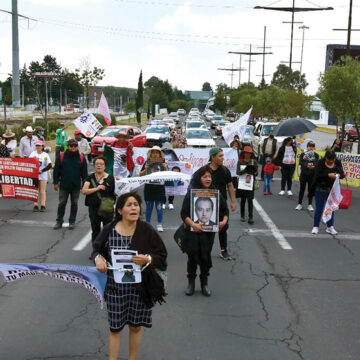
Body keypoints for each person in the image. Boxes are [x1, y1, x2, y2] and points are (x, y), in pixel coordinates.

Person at [92, 192, 167, 360]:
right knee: (115, 329)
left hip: (139, 289)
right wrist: (99, 259)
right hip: (115, 288)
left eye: (136, 204)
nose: (134, 208)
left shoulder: (146, 230)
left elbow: (162, 255)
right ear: (120, 210)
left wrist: (148, 258)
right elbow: (96, 250)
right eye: (129, 205)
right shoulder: (109, 229)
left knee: (135, 327)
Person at [181, 165, 229, 296]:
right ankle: (191, 283)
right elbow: (184, 213)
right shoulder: (192, 192)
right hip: (193, 232)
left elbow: (225, 211)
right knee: (192, 257)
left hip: (209, 233)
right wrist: (193, 224)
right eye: (204, 176)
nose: (207, 179)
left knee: (205, 257)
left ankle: (204, 283)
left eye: (209, 176)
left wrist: (223, 222)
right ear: (199, 178)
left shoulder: (215, 192)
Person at [190, 147, 236, 260]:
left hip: (221, 205)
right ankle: (202, 251)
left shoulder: (225, 170)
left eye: (223, 156)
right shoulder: (203, 171)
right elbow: (192, 185)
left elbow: (230, 186)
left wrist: (233, 202)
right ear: (213, 157)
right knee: (205, 229)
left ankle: (223, 250)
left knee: (223, 227)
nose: (223, 158)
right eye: (220, 156)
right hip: (206, 206)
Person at [53, 138, 88, 230]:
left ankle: (72, 222)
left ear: (77, 147)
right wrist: (55, 182)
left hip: (76, 185)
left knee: (74, 203)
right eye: (71, 146)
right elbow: (56, 170)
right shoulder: (61, 156)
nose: (73, 148)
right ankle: (59, 221)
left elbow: (84, 173)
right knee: (61, 203)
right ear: (67, 147)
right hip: (64, 185)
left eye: (75, 146)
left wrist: (84, 184)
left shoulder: (81, 157)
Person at [82, 156, 115, 248]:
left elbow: (115, 193)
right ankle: (96, 250)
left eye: (101, 164)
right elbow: (84, 191)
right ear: (94, 166)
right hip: (93, 208)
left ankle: (106, 249)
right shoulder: (90, 178)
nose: (99, 166)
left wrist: (120, 185)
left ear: (105, 166)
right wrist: (97, 188)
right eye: (97, 164)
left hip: (107, 208)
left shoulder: (111, 179)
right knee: (95, 230)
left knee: (107, 230)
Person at [311, 150, 345, 235]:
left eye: (332, 159)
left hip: (332, 190)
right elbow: (317, 175)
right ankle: (316, 226)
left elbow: (342, 174)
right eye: (329, 159)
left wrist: (338, 175)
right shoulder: (320, 163)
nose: (330, 161)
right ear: (325, 157)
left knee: (331, 208)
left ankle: (330, 227)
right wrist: (328, 175)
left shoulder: (337, 163)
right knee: (319, 208)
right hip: (320, 189)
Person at [140, 146, 168, 232]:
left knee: (159, 207)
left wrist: (166, 168)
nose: (155, 154)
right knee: (149, 207)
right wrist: (145, 168)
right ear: (151, 154)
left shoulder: (163, 163)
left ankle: (159, 224)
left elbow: (168, 176)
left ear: (160, 154)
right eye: (154, 152)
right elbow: (141, 175)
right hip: (149, 188)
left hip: (159, 188)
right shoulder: (147, 162)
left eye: (157, 152)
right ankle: (148, 224)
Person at [236, 146, 258, 224]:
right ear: (244, 153)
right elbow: (238, 172)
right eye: (246, 153)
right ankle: (242, 215)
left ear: (251, 154)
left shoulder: (253, 162)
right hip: (242, 184)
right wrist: (245, 170)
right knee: (243, 200)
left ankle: (250, 217)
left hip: (250, 183)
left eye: (249, 153)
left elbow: (256, 173)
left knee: (250, 200)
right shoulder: (240, 161)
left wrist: (253, 171)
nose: (247, 154)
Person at [295, 141, 319, 211]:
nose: (311, 147)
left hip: (312, 175)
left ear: (314, 147)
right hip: (304, 174)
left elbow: (317, 163)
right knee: (302, 189)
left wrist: (313, 166)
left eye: (312, 146)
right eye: (310, 146)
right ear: (307, 147)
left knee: (310, 190)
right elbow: (301, 163)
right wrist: (307, 165)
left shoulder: (316, 155)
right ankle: (299, 204)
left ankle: (310, 204)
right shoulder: (303, 154)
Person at [29, 141, 52, 212]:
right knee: (35, 190)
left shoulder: (45, 155)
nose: (38, 147)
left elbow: (49, 165)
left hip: (43, 174)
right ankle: (35, 205)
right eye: (37, 146)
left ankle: (43, 205)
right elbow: (28, 162)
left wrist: (42, 171)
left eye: (39, 146)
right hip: (35, 174)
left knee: (42, 190)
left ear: (42, 146)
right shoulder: (33, 154)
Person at [161, 142, 179, 209]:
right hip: (163, 173)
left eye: (168, 149)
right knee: (163, 187)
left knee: (171, 187)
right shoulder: (161, 154)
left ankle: (171, 202)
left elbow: (177, 163)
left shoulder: (173, 155)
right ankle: (163, 202)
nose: (166, 150)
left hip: (171, 173)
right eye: (165, 149)